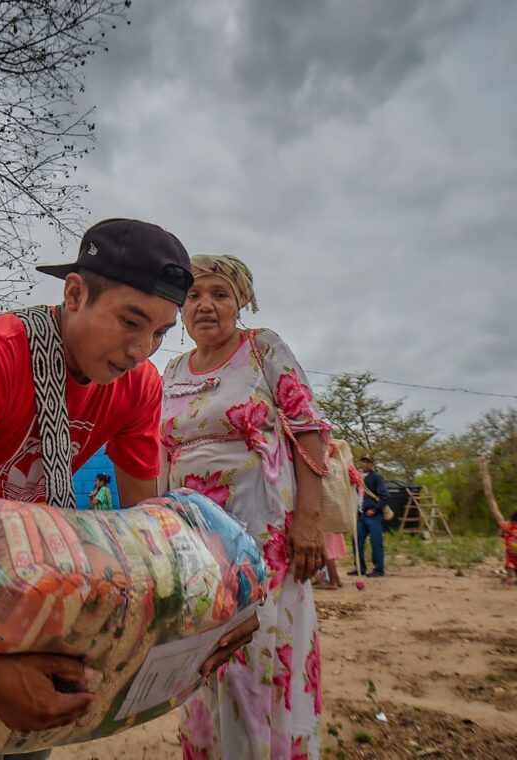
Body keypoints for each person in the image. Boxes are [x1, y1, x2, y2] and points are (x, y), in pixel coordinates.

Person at [0, 218, 258, 760]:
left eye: (160, 333)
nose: (141, 349)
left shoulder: (137, 388)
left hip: (19, 557)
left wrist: (202, 626)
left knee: (32, 723)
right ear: (75, 293)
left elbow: (146, 534)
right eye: (130, 321)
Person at [161, 254, 330, 759]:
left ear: (241, 302)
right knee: (202, 660)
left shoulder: (263, 348)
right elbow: (159, 452)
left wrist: (310, 523)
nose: (206, 305)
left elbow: (309, 430)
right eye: (194, 295)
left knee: (257, 663)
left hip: (263, 539)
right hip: (194, 547)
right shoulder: (170, 369)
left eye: (219, 294)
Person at [315, 458, 363, 590]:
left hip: (326, 523)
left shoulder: (328, 473)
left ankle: (333, 582)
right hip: (335, 521)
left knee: (328, 554)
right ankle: (335, 579)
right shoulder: (340, 476)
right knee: (331, 555)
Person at [356, 456, 389, 578]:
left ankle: (379, 569)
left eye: (367, 462)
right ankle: (360, 567)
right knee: (357, 541)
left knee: (376, 542)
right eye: (363, 461)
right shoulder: (358, 478)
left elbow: (385, 495)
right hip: (361, 514)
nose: (364, 464)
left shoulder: (377, 477)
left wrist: (375, 509)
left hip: (373, 515)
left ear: (372, 464)